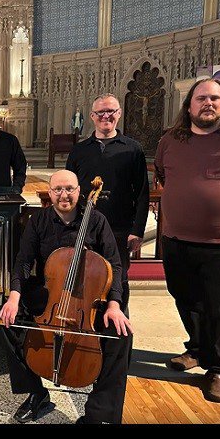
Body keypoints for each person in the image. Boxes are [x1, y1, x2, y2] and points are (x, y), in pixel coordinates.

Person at [0, 170, 132, 424]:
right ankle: (37, 393)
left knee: (121, 335)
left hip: (90, 297)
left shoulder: (97, 220)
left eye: (69, 189)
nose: (64, 195)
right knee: (7, 321)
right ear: (50, 193)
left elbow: (115, 265)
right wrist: (14, 297)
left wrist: (114, 304)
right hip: (52, 295)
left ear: (79, 192)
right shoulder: (39, 221)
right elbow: (24, 261)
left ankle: (99, 413)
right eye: (58, 189)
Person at [155, 78, 220, 403]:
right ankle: (197, 349)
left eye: (214, 98)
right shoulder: (170, 140)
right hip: (176, 238)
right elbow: (162, 175)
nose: (208, 103)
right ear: (189, 105)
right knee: (184, 298)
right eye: (201, 98)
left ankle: (218, 369)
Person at [66, 93, 149, 325]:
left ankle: (116, 326)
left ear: (119, 114)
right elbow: (69, 189)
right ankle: (86, 325)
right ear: (92, 116)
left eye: (111, 111)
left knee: (118, 279)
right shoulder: (79, 151)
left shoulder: (132, 149)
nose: (106, 116)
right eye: (101, 112)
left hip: (120, 226)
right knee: (83, 277)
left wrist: (138, 230)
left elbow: (142, 192)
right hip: (84, 226)